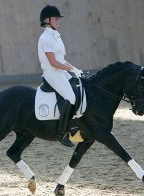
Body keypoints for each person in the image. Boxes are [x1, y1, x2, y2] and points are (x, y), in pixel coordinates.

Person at [38, 5, 83, 147]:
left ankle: (75, 128)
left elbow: (61, 60)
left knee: (79, 90)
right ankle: (61, 133)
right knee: (70, 98)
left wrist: (74, 69)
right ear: (47, 20)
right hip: (52, 73)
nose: (59, 21)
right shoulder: (46, 37)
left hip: (61, 71)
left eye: (58, 19)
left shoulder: (55, 36)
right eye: (56, 18)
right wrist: (70, 69)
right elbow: (53, 62)